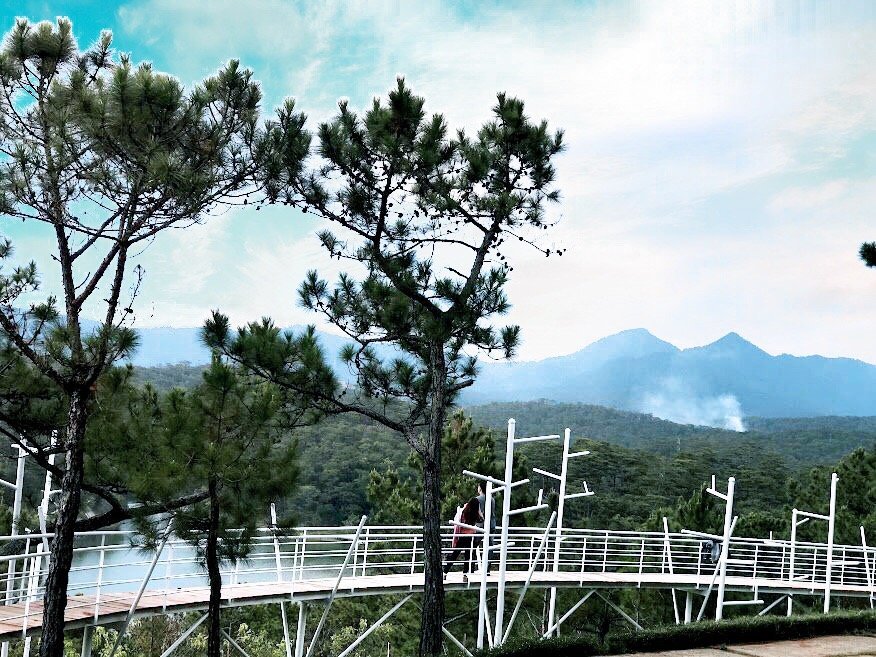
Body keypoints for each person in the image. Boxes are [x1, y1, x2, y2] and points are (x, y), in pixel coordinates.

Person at [444, 497, 480, 578]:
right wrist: (479, 511)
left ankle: (445, 572)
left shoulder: (465, 511)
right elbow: (481, 519)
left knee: (455, 554)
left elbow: (460, 521)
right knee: (467, 556)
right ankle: (465, 574)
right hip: (470, 537)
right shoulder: (475, 513)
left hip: (462, 535)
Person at [474, 482, 496, 572]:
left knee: (473, 545)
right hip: (491, 525)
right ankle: (487, 569)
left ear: (480, 488)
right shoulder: (492, 499)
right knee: (490, 547)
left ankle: (471, 567)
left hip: (480, 525)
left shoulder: (477, 499)